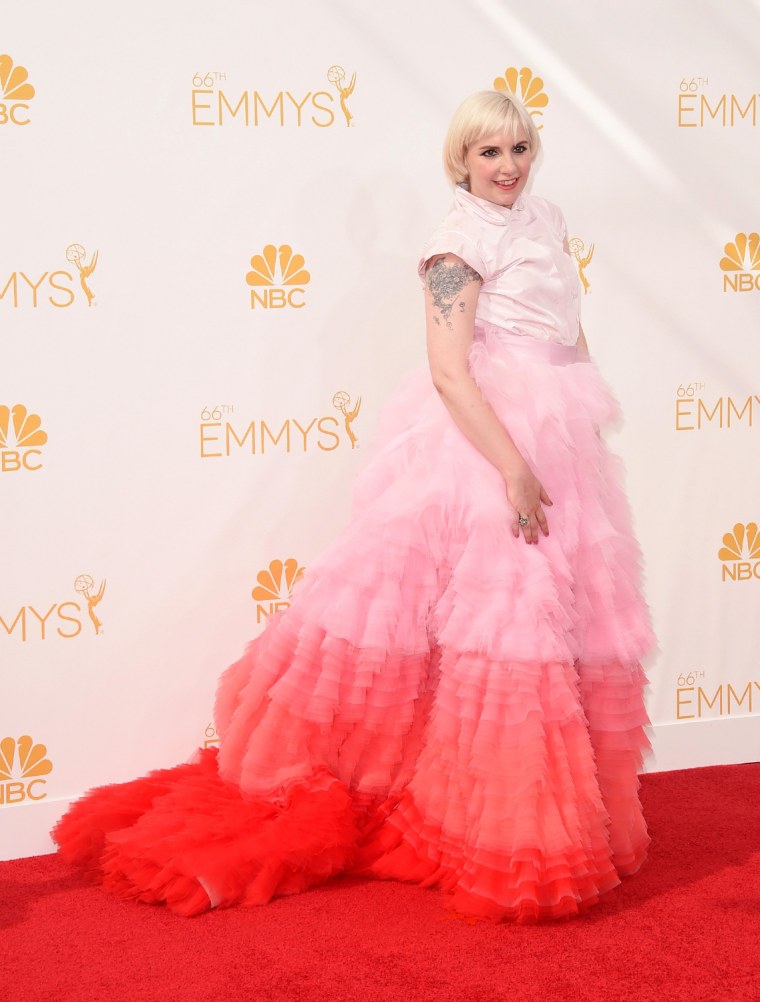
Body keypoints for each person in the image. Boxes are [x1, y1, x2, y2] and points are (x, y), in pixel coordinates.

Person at [54, 90, 654, 924]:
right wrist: (515, 468)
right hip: (489, 443)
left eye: (519, 148)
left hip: (558, 436)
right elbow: (450, 371)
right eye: (489, 153)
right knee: (503, 630)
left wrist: (581, 412)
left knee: (557, 625)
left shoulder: (543, 216)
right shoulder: (456, 243)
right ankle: (511, 828)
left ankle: (529, 809)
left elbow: (567, 326)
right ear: (461, 161)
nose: (508, 166)